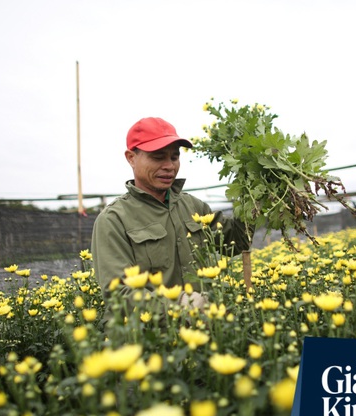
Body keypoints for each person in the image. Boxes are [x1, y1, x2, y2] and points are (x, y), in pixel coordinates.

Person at [91, 117, 253, 320]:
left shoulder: (193, 206)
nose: (169, 166)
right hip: (149, 339)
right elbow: (119, 294)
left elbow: (238, 241)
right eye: (158, 157)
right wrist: (180, 303)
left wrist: (254, 199)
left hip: (203, 331)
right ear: (131, 158)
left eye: (174, 157)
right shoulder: (114, 220)